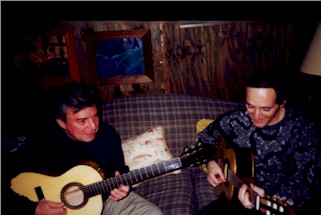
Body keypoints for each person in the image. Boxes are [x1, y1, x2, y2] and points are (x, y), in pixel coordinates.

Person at [2, 82, 163, 215]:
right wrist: (33, 208)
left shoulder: (108, 135)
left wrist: (123, 188)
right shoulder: (43, 141)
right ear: (61, 122)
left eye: (95, 116)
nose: (93, 126)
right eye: (82, 121)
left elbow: (120, 170)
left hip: (105, 199)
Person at [196, 71, 320, 215]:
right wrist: (211, 162)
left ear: (282, 103)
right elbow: (206, 138)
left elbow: (306, 185)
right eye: (250, 106)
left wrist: (268, 193)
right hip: (235, 195)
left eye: (266, 109)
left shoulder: (302, 130)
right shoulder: (237, 119)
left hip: (274, 204)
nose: (256, 115)